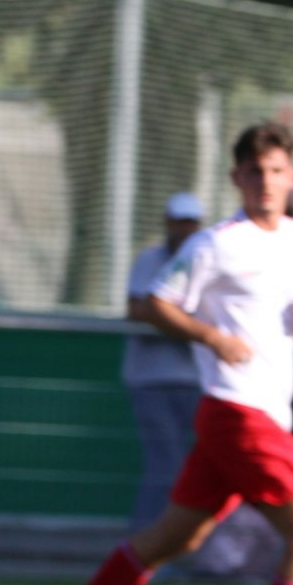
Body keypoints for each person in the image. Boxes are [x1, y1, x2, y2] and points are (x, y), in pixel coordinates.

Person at [42, 121, 293, 585]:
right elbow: (156, 302)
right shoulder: (216, 243)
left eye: (276, 170)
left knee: (176, 536)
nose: (266, 181)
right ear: (236, 178)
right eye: (255, 172)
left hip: (263, 413)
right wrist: (211, 336)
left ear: (292, 176)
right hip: (238, 412)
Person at [122, 192, 206, 530]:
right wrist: (185, 324)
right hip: (150, 381)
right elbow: (139, 310)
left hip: (196, 382)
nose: (185, 229)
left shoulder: (207, 262)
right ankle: (147, 542)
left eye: (191, 222)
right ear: (168, 223)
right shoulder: (148, 261)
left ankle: (178, 542)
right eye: (179, 221)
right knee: (165, 466)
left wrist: (170, 319)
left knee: (196, 470)